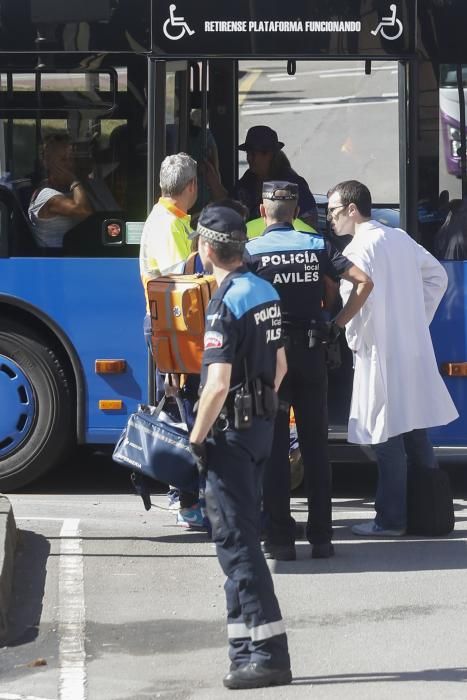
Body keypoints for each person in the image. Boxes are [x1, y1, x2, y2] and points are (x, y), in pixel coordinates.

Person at [188, 205, 292, 689]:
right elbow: (281, 367)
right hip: (260, 431)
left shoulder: (224, 302)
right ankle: (243, 648)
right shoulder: (265, 290)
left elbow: (217, 384)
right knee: (240, 537)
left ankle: (269, 654)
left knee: (237, 544)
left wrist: (196, 436)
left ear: (206, 249)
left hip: (230, 434)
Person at [244, 181, 373, 560]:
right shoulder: (317, 246)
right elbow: (364, 282)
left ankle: (281, 541)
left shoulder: (252, 252)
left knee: (275, 449)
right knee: (316, 449)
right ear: (298, 209)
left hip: (273, 360)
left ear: (263, 210)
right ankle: (321, 539)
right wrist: (336, 324)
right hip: (314, 355)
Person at [327, 179, 459, 536]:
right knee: (415, 432)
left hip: (378, 353)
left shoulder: (356, 251)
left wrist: (353, 337)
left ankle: (391, 519)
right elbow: (437, 278)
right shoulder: (398, 237)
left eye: (334, 212)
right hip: (411, 349)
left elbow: (352, 305)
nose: (331, 219)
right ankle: (430, 514)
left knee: (386, 439)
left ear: (353, 210)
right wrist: (418, 318)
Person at [139, 152, 203, 529]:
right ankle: (185, 500)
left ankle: (186, 496)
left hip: (171, 327)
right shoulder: (167, 225)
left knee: (184, 409)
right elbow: (178, 284)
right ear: (191, 186)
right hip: (172, 328)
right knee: (185, 413)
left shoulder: (172, 219)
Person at [206, 125, 318, 228]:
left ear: (268, 154)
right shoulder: (249, 179)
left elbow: (310, 224)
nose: (249, 159)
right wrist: (213, 181)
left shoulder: (293, 184)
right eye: (248, 154)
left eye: (253, 154)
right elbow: (230, 207)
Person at [28, 133, 93, 248]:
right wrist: (73, 180)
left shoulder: (65, 189)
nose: (69, 164)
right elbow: (83, 211)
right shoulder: (47, 195)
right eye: (63, 160)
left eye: (71, 159)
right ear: (47, 162)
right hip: (56, 261)